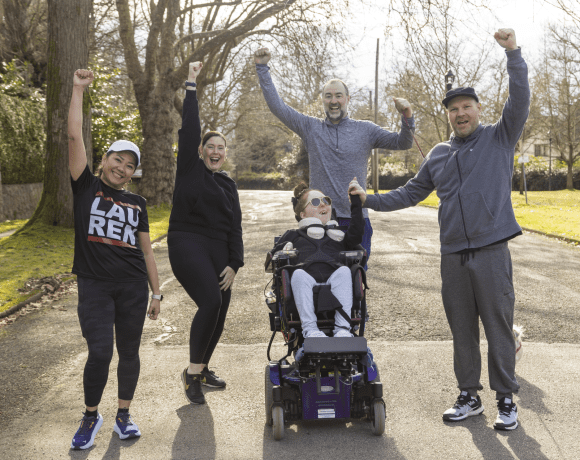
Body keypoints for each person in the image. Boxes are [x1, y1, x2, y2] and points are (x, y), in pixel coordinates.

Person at [349, 28, 528, 431]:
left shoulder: (500, 137)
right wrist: (368, 199)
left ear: (478, 110)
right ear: (447, 115)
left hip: (491, 251)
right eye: (453, 109)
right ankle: (469, 395)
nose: (460, 113)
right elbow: (411, 192)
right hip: (452, 255)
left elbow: (520, 100)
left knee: (498, 327)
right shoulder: (439, 154)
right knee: (461, 329)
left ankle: (505, 399)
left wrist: (513, 54)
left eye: (467, 107)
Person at [68, 69, 162, 449]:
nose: (122, 169)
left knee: (129, 352)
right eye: (117, 160)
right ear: (104, 158)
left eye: (129, 166)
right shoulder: (85, 185)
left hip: (132, 287)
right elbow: (75, 135)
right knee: (100, 351)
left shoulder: (136, 202)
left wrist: (157, 292)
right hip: (94, 283)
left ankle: (123, 415)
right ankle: (91, 416)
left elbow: (147, 249)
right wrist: (77, 90)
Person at [254, 47, 415, 262]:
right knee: (319, 281)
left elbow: (403, 142)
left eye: (338, 95)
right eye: (328, 96)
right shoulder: (310, 127)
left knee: (356, 282)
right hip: (319, 221)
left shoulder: (366, 130)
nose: (333, 101)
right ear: (322, 100)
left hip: (356, 220)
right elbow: (278, 107)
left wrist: (407, 116)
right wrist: (262, 67)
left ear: (347, 99)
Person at [169, 62, 244, 405]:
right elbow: (189, 128)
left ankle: (203, 367)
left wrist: (235, 263)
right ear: (201, 151)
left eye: (221, 148)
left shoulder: (228, 184)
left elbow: (235, 226)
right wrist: (191, 84)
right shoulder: (189, 169)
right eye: (210, 146)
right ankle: (192, 374)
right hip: (187, 241)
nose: (215, 151)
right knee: (210, 301)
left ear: (225, 154)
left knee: (220, 311)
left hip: (219, 250)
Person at [270, 182, 364, 339]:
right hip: (304, 282)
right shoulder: (293, 235)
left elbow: (356, 235)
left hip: (336, 282)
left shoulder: (338, 235)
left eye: (325, 201)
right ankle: (310, 329)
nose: (322, 204)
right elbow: (272, 259)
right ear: (303, 215)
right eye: (314, 202)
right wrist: (282, 250)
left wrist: (355, 203)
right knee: (298, 274)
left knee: (344, 271)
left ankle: (342, 329)